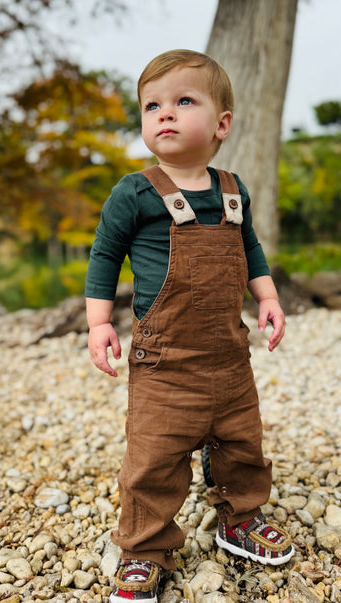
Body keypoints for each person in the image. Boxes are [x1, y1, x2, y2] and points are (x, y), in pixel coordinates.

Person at [85, 50, 294, 603]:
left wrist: (267, 297)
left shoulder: (232, 188)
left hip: (229, 357)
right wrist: (100, 323)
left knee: (242, 445)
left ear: (221, 123)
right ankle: (145, 547)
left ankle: (239, 519)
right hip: (164, 365)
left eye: (183, 101)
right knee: (153, 457)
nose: (165, 114)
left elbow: (249, 247)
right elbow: (105, 255)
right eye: (152, 105)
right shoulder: (135, 192)